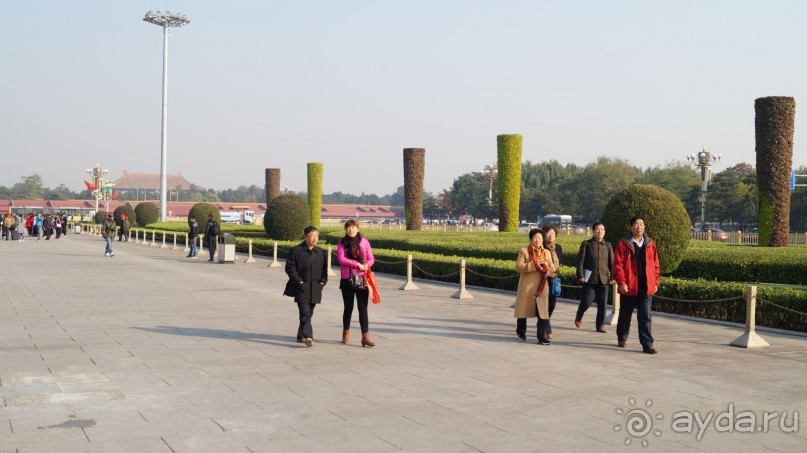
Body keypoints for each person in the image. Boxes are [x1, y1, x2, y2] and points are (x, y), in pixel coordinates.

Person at [614, 215, 660, 354]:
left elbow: (656, 265)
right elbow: (618, 265)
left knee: (645, 316)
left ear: (644, 226)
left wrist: (655, 281)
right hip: (629, 285)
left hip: (646, 286)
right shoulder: (623, 244)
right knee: (625, 314)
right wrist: (621, 282)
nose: (639, 226)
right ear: (631, 227)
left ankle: (647, 344)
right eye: (636, 224)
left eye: (641, 224)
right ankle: (622, 337)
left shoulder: (651, 243)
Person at [283, 226, 328, 347]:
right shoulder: (296, 250)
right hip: (301, 287)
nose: (315, 239)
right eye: (312, 236)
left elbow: (325, 269)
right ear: (305, 236)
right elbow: (290, 268)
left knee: (309, 313)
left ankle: (300, 335)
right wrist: (299, 281)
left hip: (316, 288)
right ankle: (308, 336)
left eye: (317, 236)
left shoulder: (320, 252)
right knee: (305, 312)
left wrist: (323, 281)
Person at [336, 219, 377, 347]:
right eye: (348, 227)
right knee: (348, 307)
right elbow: (341, 259)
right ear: (345, 229)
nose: (351, 229)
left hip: (362, 278)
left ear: (358, 229)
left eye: (353, 227)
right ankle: (345, 333)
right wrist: (356, 264)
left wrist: (366, 265)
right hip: (347, 278)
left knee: (363, 308)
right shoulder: (342, 243)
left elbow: (371, 258)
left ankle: (365, 337)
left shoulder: (364, 242)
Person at [514, 228, 554, 345]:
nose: (538, 240)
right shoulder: (524, 251)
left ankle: (542, 337)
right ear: (531, 239)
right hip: (527, 287)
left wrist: (548, 269)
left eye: (540, 238)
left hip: (542, 286)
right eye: (535, 238)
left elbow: (552, 267)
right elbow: (519, 267)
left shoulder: (546, 252)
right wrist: (533, 264)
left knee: (543, 312)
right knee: (523, 311)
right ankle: (521, 332)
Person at [574, 222, 614, 333]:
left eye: (602, 229)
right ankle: (579, 315)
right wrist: (580, 275)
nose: (599, 231)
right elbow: (580, 261)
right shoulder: (586, 244)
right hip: (589, 278)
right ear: (593, 231)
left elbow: (612, 263)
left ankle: (600, 325)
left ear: (604, 232)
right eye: (597, 229)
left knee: (603, 304)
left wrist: (613, 276)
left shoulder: (608, 245)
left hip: (604, 279)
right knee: (587, 301)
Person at [541, 225, 562, 339]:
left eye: (553, 233)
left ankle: (543, 322)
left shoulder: (558, 247)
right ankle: (547, 328)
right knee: (545, 305)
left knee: (552, 305)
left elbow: (560, 262)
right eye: (548, 233)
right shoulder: (542, 247)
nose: (551, 235)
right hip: (544, 279)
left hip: (555, 279)